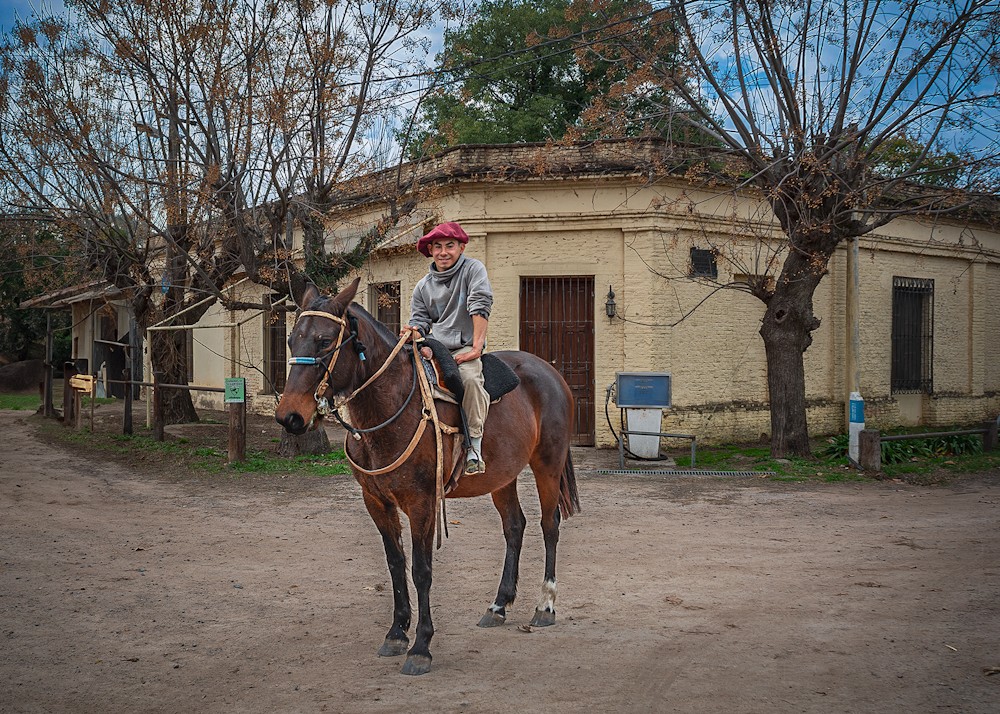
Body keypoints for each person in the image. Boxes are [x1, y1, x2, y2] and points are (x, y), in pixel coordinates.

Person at [402, 222, 493, 475]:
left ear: (461, 247)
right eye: (438, 247)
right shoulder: (422, 286)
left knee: (471, 381)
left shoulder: (473, 270)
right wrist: (413, 332)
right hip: (434, 347)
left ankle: (474, 446)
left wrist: (475, 348)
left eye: (450, 246)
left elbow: (480, 303)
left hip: (464, 346)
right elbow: (420, 321)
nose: (444, 252)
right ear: (430, 250)